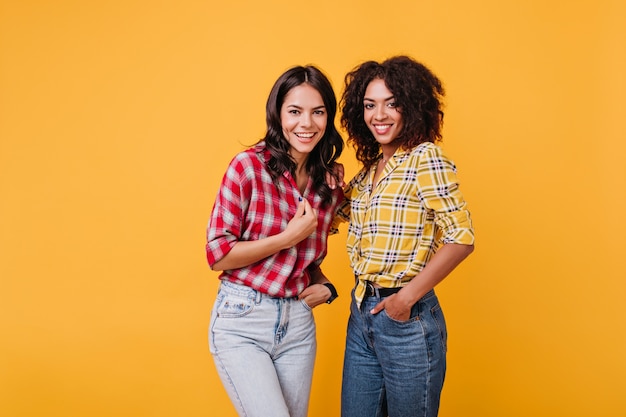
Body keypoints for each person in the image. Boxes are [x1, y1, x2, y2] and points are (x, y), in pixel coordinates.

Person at [333, 56, 475, 417]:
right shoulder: (368, 173)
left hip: (406, 321)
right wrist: (327, 179)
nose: (379, 114)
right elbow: (332, 218)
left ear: (411, 106)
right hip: (361, 315)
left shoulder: (424, 159)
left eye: (391, 103)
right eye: (369, 105)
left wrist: (407, 297)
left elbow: (462, 237)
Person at [206, 65, 344, 417]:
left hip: (297, 324)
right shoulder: (247, 167)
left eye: (318, 112)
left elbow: (307, 259)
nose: (306, 124)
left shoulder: (329, 181)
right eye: (295, 112)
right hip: (243, 318)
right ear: (278, 114)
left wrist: (326, 286)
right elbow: (218, 254)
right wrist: (286, 238)